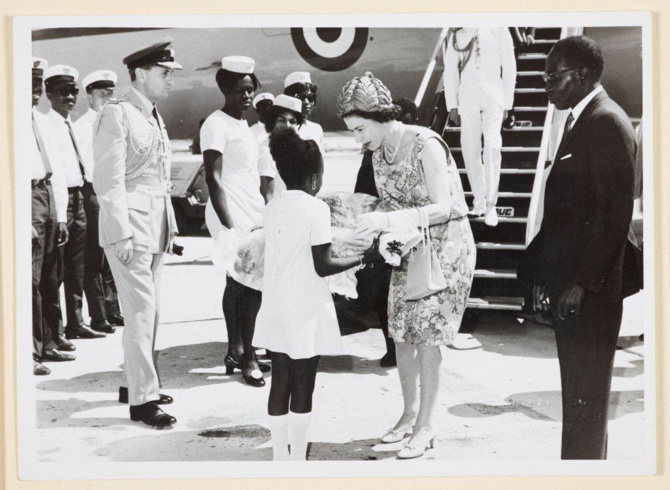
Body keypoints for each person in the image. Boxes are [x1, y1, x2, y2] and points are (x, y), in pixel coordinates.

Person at [337, 72, 476, 459]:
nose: (357, 138)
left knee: (427, 337)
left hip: (446, 248)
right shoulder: (378, 152)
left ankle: (427, 426)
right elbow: (391, 206)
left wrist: (385, 222)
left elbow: (444, 206)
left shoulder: (425, 143)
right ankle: (409, 415)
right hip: (409, 246)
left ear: (381, 117)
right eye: (352, 131)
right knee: (400, 333)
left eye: (360, 128)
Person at [519, 35, 640, 459]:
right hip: (574, 289)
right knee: (579, 398)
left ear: (583, 76)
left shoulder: (606, 122)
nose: (546, 86)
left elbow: (613, 216)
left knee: (586, 397)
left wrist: (581, 284)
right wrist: (535, 271)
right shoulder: (580, 119)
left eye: (553, 77)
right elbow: (568, 213)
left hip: (590, 294)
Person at [254, 128, 380, 461]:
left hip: (276, 304)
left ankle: (280, 455)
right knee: (304, 381)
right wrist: (365, 257)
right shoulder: (316, 209)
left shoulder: (273, 207)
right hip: (305, 307)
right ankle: (297, 459)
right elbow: (323, 265)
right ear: (314, 180)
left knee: (279, 378)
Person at [93, 39, 182, 427]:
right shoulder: (118, 114)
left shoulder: (150, 113)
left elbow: (159, 179)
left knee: (148, 312)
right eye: (165, 74)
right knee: (142, 312)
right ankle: (143, 402)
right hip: (129, 228)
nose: (170, 82)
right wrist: (121, 234)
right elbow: (108, 182)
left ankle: (134, 383)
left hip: (155, 225)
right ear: (142, 74)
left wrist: (172, 226)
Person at [201, 55, 270, 387]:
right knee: (245, 282)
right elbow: (213, 178)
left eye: (250, 90)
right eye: (240, 91)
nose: (247, 97)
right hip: (227, 210)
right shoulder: (215, 123)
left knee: (243, 282)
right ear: (225, 89)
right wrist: (229, 228)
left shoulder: (243, 124)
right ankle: (248, 356)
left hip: (250, 208)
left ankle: (236, 349)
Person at [353, 97, 419, 368]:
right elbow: (362, 189)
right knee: (383, 291)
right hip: (384, 230)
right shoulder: (374, 151)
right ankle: (392, 347)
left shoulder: (419, 147)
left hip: (412, 232)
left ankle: (406, 348)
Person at [43, 65, 106, 342]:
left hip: (79, 196)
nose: (70, 97)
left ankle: (76, 322)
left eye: (73, 91)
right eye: (63, 92)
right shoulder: (46, 126)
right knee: (55, 268)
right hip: (61, 198)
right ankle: (52, 330)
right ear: (49, 94)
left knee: (77, 264)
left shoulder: (71, 124)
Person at [443, 27, 516, 226]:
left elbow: (509, 66)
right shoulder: (458, 33)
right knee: (469, 150)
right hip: (468, 98)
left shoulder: (499, 28)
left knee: (492, 148)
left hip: (493, 97)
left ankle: (491, 206)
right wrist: (453, 104)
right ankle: (479, 202)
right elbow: (450, 70)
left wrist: (508, 102)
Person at [30, 57, 73, 373]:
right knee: (29, 279)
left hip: (46, 195)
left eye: (36, 85)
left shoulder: (41, 120)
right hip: (27, 197)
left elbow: (54, 169)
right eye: (28, 84)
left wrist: (59, 216)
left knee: (50, 275)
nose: (33, 91)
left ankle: (51, 341)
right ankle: (30, 351)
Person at [74, 69, 123, 334]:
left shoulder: (116, 123)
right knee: (94, 256)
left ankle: (113, 309)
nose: (106, 97)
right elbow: (91, 167)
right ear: (89, 96)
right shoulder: (83, 126)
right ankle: (99, 316)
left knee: (112, 253)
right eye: (101, 93)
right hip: (95, 192)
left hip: (114, 192)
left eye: (109, 93)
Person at [258, 94, 304, 201]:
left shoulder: (295, 148)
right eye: (282, 120)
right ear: (272, 122)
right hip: (277, 212)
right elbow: (266, 195)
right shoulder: (266, 151)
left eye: (292, 122)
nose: (287, 126)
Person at [283, 71, 324, 152]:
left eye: (311, 97)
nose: (307, 102)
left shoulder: (316, 129)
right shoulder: (281, 129)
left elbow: (321, 161)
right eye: (301, 97)